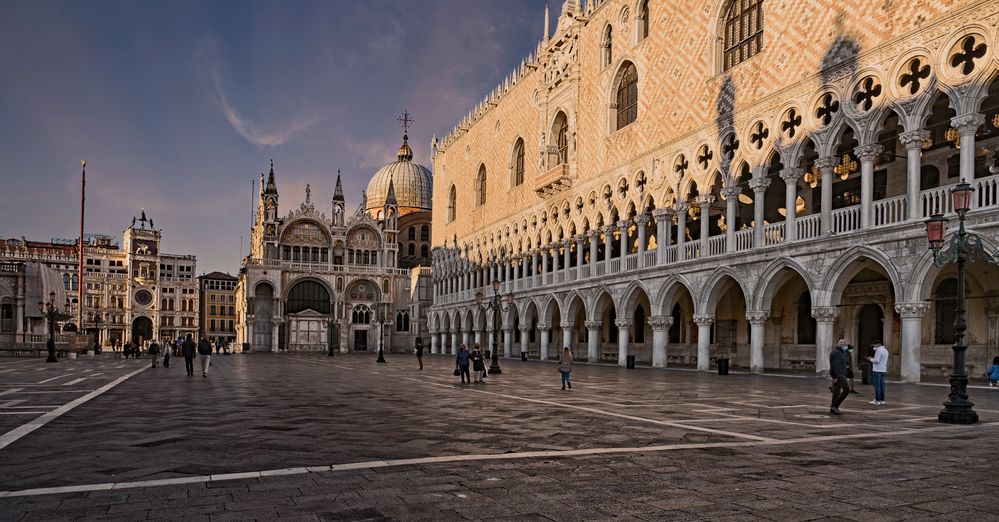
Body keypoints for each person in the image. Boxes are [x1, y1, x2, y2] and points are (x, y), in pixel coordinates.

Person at [829, 340, 851, 415]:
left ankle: (833, 408)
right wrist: (834, 377)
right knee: (847, 389)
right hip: (838, 374)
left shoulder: (840, 352)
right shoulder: (837, 353)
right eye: (846, 345)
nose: (847, 347)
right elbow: (834, 366)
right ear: (842, 345)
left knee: (836, 392)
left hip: (839, 374)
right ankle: (835, 405)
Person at [867, 340, 889, 405]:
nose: (874, 347)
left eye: (874, 345)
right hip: (883, 370)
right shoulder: (886, 350)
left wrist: (870, 359)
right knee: (882, 385)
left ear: (877, 344)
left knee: (877, 385)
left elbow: (877, 360)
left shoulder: (879, 351)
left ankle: (877, 400)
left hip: (877, 370)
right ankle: (882, 400)